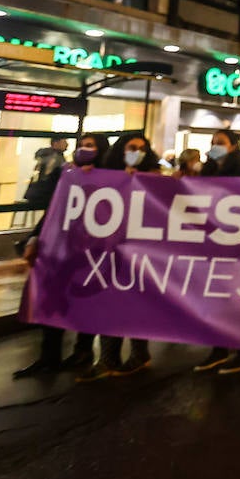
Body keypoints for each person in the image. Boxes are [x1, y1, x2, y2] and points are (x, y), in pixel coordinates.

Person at [15, 135, 103, 378]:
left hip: (90, 253)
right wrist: (35, 238)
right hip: (61, 250)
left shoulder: (109, 179)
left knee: (86, 303)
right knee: (53, 300)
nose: (85, 150)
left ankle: (83, 351)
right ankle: (48, 356)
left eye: (91, 146)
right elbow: (54, 210)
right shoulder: (68, 175)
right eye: (82, 145)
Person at [78, 132, 162, 381]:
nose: (137, 152)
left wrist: (150, 181)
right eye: (132, 147)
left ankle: (139, 353)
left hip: (141, 251)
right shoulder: (106, 173)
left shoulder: (154, 175)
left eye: (142, 149)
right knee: (109, 302)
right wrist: (83, 175)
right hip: (109, 250)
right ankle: (108, 358)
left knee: (135, 303)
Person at [195, 130, 240, 375]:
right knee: (215, 298)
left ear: (233, 146)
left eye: (220, 143)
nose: (215, 146)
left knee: (238, 300)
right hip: (214, 240)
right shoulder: (209, 169)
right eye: (213, 142)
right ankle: (219, 349)